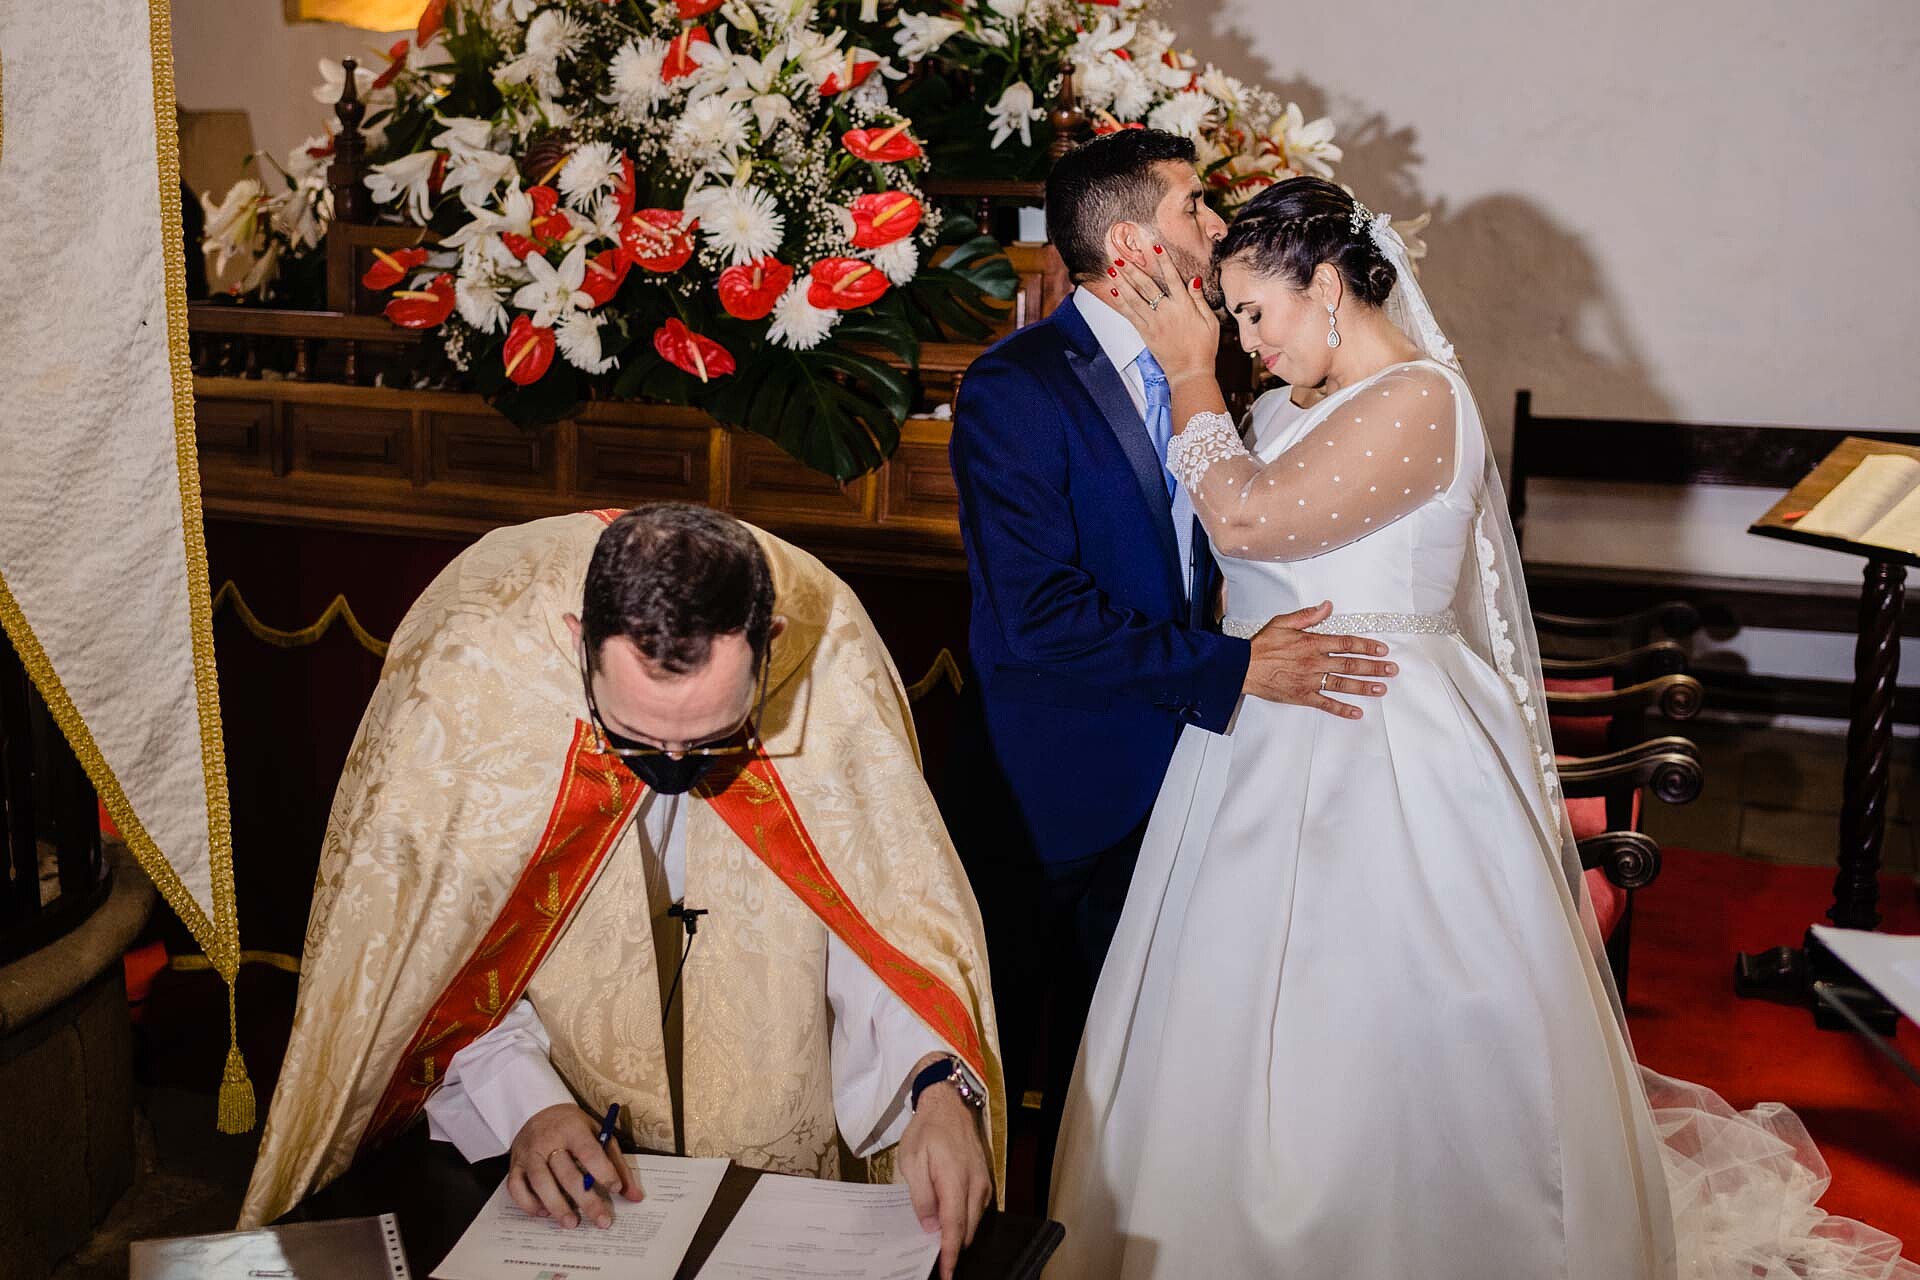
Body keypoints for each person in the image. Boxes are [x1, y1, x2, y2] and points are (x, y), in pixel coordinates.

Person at [1047, 175, 1920, 1279]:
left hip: (1383, 738)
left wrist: (1184, 373)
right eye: (1234, 325)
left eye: (1257, 312)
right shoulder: (1277, 406)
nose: (1248, 344)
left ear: (1325, 286)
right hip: (1258, 733)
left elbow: (1249, 514)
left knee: (1386, 1028)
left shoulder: (1421, 400)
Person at [242, 505, 1002, 1280]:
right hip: (559, 1187)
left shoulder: (827, 660)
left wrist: (936, 1085)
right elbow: (431, 962)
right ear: (579, 643)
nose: (675, 764)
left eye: (712, 737)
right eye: (636, 736)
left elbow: (884, 925)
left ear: (768, 649)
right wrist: (525, 1102)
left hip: (779, 1172)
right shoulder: (477, 679)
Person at [946, 129, 1398, 1196]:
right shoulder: (1020, 384)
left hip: (1184, 777)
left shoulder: (1222, 365)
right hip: (1046, 790)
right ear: (1130, 241)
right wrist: (1234, 668)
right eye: (1197, 207)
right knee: (1006, 1060)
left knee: (1124, 1074)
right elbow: (1042, 613)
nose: (1218, 225)